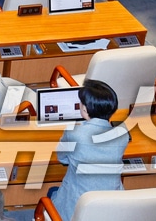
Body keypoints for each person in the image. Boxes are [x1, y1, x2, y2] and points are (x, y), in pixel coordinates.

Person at [51, 81, 129, 218]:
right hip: (112, 208)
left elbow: (61, 157)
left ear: (85, 110)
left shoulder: (74, 132)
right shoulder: (122, 134)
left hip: (77, 208)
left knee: (52, 192)